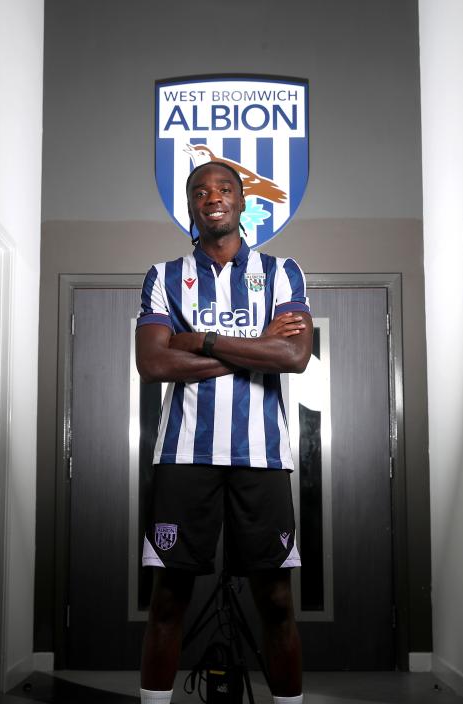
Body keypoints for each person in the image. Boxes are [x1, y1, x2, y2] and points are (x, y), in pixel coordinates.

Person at [135, 160, 313, 704]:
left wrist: (201, 341)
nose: (212, 196)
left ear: (242, 202)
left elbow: (295, 355)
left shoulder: (283, 273)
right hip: (183, 458)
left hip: (262, 460)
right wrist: (256, 347)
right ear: (190, 206)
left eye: (224, 189)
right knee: (168, 600)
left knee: (278, 602)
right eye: (200, 190)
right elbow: (154, 365)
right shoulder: (164, 277)